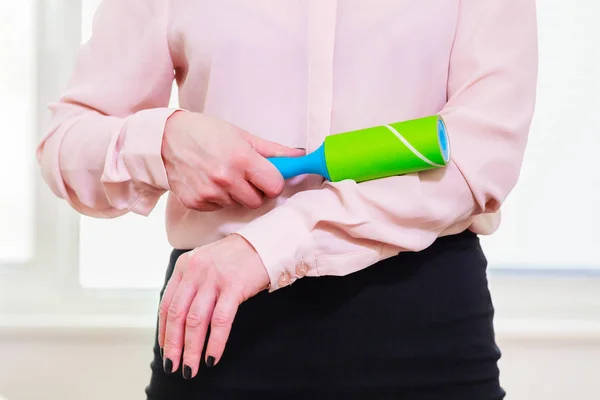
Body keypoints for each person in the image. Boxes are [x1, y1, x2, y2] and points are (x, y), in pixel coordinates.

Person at [37, 0, 538, 398]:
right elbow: (65, 143)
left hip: (425, 326)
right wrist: (164, 142)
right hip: (216, 328)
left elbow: (482, 155)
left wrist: (270, 245)